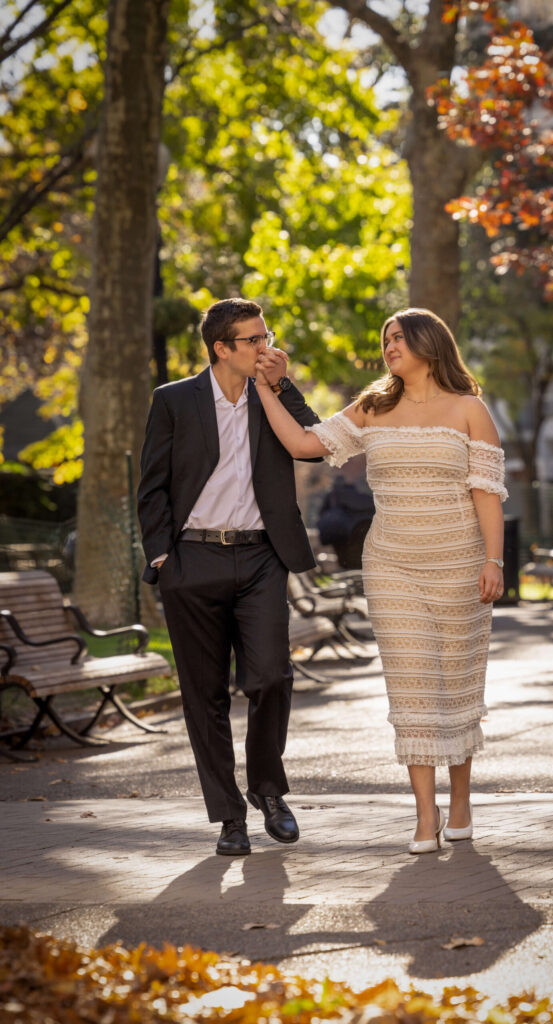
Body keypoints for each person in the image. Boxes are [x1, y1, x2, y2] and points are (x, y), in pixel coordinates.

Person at [254, 307, 507, 855]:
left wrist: (495, 561)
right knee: (412, 687)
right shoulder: (374, 406)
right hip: (391, 564)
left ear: (429, 342)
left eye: (399, 337)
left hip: (460, 563)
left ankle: (459, 800)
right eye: (385, 338)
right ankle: (424, 814)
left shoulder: (470, 410)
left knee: (456, 683)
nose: (389, 345)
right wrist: (266, 387)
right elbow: (304, 444)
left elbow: (486, 492)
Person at [137, 298, 320, 857]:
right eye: (254, 340)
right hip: (193, 561)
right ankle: (229, 817)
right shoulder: (174, 401)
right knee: (204, 696)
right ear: (222, 348)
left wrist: (283, 385)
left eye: (267, 337)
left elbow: (315, 443)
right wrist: (164, 556)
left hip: (262, 557)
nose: (265, 347)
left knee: (270, 678)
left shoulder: (271, 395)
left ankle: (268, 789)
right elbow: (152, 486)